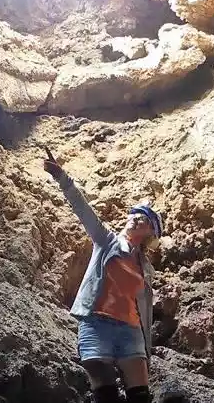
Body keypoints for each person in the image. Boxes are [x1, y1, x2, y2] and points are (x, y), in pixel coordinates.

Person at [44, 155, 162, 403]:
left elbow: (144, 309)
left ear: (151, 232)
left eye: (145, 218)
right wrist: (63, 179)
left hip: (130, 330)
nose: (137, 217)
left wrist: (147, 343)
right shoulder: (107, 241)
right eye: (135, 214)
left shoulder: (146, 267)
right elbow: (84, 210)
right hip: (97, 324)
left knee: (140, 396)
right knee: (104, 392)